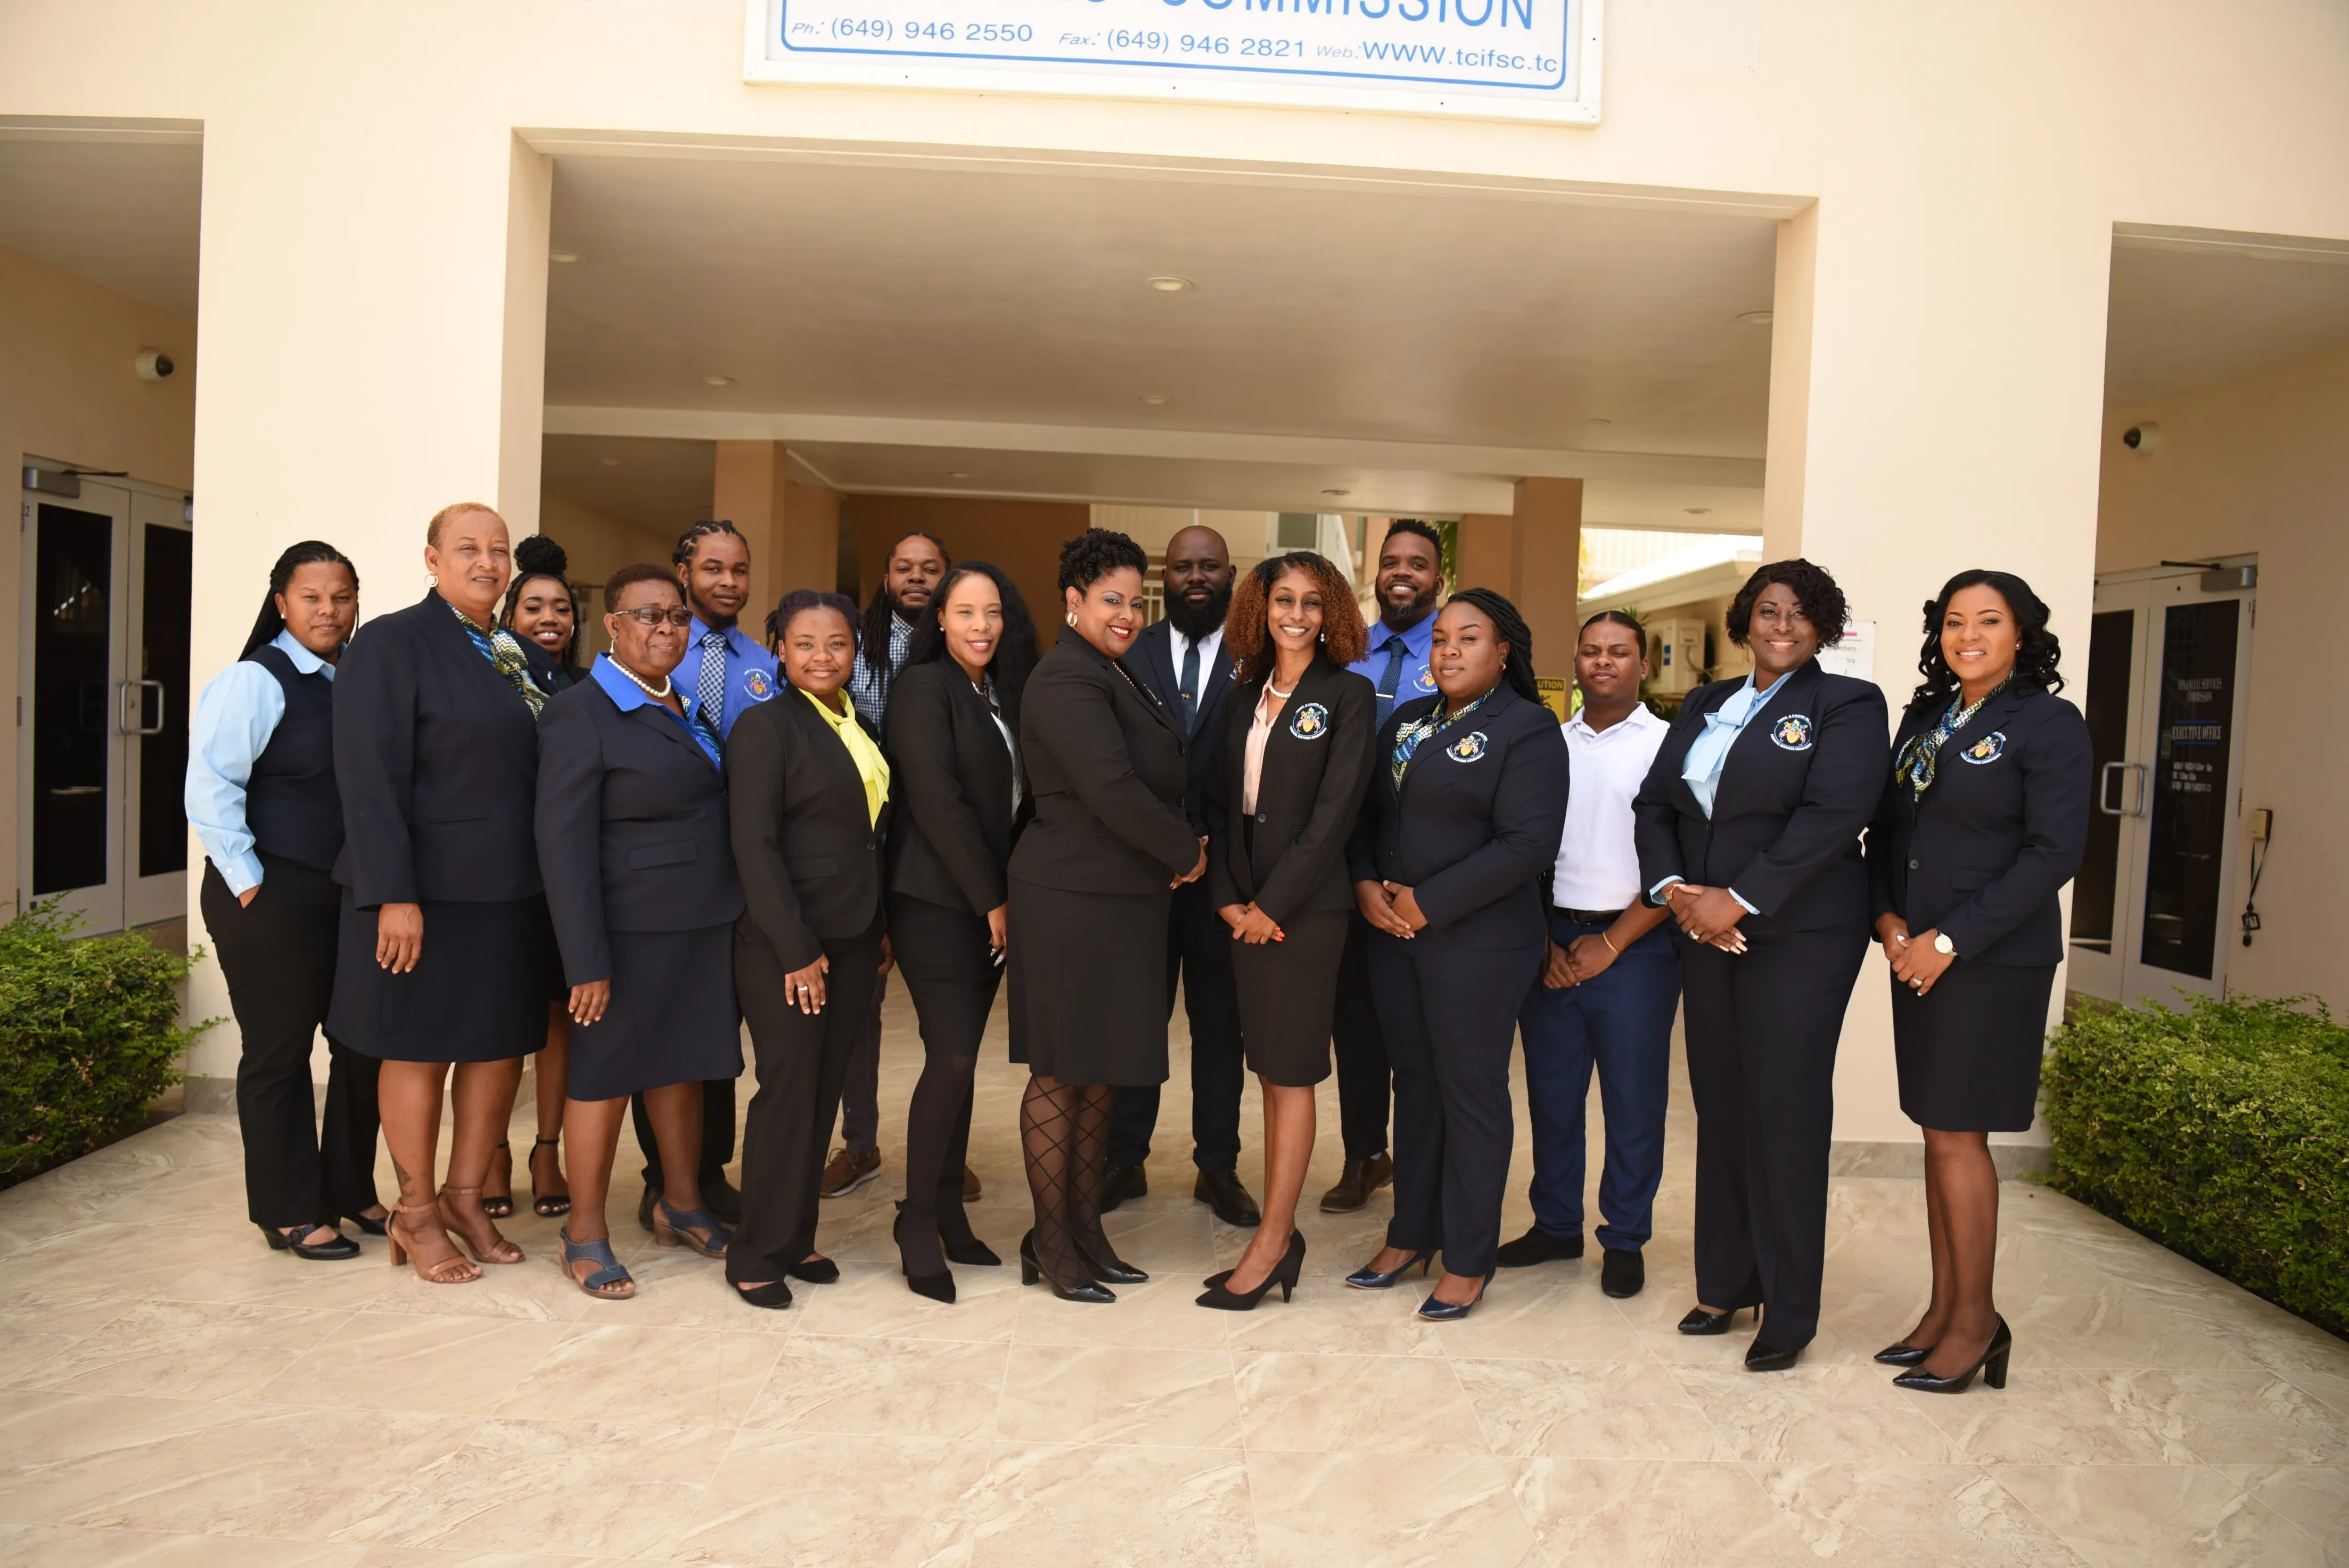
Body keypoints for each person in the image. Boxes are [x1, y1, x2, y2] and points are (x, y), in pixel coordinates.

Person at [1632, 558, 1886, 1370]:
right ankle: (1727, 1279)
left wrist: (1735, 899)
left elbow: (1834, 814)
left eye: (1801, 613)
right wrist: (1677, 893)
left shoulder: (1846, 704)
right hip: (1703, 927)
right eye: (1769, 611)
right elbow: (1656, 804)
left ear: (1822, 627)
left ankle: (1790, 1307)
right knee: (1723, 1103)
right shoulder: (1707, 702)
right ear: (1746, 620)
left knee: (1784, 1110)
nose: (1782, 625)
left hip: (1801, 934)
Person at [1866, 570, 2090, 1392]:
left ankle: (1976, 1323)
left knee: (1960, 1133)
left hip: (1989, 960)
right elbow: (1888, 833)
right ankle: (1942, 1308)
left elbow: (2054, 852)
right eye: (1956, 622)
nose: (1969, 636)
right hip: (1914, 951)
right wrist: (1890, 924)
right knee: (1937, 1130)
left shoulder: (2049, 723)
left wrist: (1949, 939)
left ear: (2022, 633)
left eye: (1989, 621)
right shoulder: (1927, 717)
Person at [328, 502, 554, 1285]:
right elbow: (369, 775)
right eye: (468, 549)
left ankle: (465, 1198)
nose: (487, 563)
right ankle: (415, 1210)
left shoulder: (508, 649)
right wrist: (395, 892)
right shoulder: (393, 643)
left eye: (498, 551)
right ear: (432, 559)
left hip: (510, 891)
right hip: (425, 895)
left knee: (497, 1048)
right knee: (418, 1047)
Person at [1345, 589, 1570, 1320]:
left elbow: (1528, 844)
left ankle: (1469, 1257)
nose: (1448, 650)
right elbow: (1367, 815)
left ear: (1503, 652)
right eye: (1441, 638)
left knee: (1469, 1091)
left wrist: (1426, 901)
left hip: (1477, 943)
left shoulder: (1529, 729)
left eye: (1468, 638)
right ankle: (1411, 1232)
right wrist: (1366, 886)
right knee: (1415, 1083)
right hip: (1395, 937)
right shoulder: (1408, 721)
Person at [535, 564, 743, 1298]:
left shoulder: (681, 700)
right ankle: (583, 1232)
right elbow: (561, 846)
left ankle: (679, 1202)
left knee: (682, 1067)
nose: (667, 628)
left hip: (698, 923)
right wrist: (584, 960)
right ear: (613, 626)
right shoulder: (580, 712)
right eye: (649, 616)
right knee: (605, 1080)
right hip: (625, 934)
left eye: (677, 617)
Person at [1008, 529, 1205, 1303]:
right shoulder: (1065, 678)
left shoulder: (1115, 672)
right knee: (1062, 1071)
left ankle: (1086, 1230)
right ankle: (1052, 1245)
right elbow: (1111, 787)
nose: (1127, 614)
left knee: (1101, 1077)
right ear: (1073, 602)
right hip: (1069, 899)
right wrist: (1186, 850)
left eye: (1135, 600)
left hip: (1121, 900)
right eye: (1111, 600)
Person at [187, 541, 381, 1259]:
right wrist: (248, 883)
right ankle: (289, 1209)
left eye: (341, 597)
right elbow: (210, 787)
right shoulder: (254, 680)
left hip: (343, 893)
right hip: (268, 892)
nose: (328, 611)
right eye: (312, 598)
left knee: (363, 1042)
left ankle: (350, 1187)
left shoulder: (355, 679)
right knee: (279, 1050)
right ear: (281, 603)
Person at [1197, 552, 1374, 1310]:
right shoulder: (1242, 695)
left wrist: (1273, 903)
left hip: (1305, 915)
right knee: (1267, 1069)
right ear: (1259, 609)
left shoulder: (1349, 695)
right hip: (1248, 914)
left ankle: (1273, 1239)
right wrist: (1231, 898)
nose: (1296, 614)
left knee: (1292, 1070)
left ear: (1331, 611)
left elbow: (1336, 815)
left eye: (1311, 601)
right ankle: (1278, 1233)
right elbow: (1220, 807)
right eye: (1283, 600)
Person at [727, 589, 893, 1310]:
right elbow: (754, 846)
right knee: (788, 1093)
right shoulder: (766, 728)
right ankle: (756, 1250)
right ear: (780, 651)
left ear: (855, 652)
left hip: (854, 936)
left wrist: (878, 924)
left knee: (822, 1092)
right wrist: (795, 948)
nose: (823, 657)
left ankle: (796, 1235)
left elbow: (866, 835)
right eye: (805, 644)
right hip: (788, 941)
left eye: (837, 644)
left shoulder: (852, 723)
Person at [1505, 611, 1678, 1299]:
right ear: (1575, 663)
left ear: (1643, 665)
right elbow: (1527, 846)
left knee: (1633, 1101)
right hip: (1552, 939)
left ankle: (1626, 1236)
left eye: (1619, 652)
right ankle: (1555, 1224)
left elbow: (1681, 864)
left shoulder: (1669, 744)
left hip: (1634, 944)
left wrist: (1611, 942)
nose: (1603, 662)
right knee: (1552, 1097)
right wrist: (1546, 938)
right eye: (1591, 651)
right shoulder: (1548, 744)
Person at [883, 561, 1039, 1301]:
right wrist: (992, 901)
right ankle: (916, 1220)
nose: (981, 625)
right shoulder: (922, 688)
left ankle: (948, 1208)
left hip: (986, 902)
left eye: (993, 612)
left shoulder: (995, 692)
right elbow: (939, 804)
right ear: (939, 619)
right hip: (936, 900)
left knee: (964, 1059)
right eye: (966, 611)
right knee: (949, 1057)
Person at [1105, 523, 1258, 1229]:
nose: (1197, 576)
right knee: (1136, 1019)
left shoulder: (1257, 656)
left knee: (1219, 1026)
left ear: (1232, 573)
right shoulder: (1126, 650)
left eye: (1210, 566)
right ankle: (1123, 1158)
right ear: (1166, 575)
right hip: (1143, 874)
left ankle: (1217, 1166)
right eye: (1184, 566)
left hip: (1225, 876)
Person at [630, 518, 773, 1232]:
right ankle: (663, 1176)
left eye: (739, 569)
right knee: (662, 1031)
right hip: (663, 881)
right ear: (683, 573)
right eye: (713, 568)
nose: (728, 581)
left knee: (718, 1034)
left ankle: (709, 1171)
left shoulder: (765, 666)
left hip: (737, 880)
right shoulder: (652, 656)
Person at [1325, 518, 1447, 1213]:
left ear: (1438, 577)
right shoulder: (1346, 650)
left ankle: (1427, 1161)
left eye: (1418, 563)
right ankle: (1366, 1154)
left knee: (1422, 1030)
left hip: (1428, 864)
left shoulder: (1457, 647)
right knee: (1359, 1023)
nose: (1403, 572)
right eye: (1392, 561)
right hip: (1350, 860)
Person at [826, 528, 952, 1201]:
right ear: (885, 577)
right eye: (903, 567)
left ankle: (947, 1151)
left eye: (930, 569)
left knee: (944, 1011)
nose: (916, 578)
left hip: (938, 851)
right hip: (868, 847)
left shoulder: (959, 648)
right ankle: (860, 1144)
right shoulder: (858, 645)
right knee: (860, 1006)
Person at [495, 531, 585, 1221]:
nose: (549, 617)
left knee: (559, 1019)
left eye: (561, 607)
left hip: (562, 876)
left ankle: (546, 1149)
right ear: (509, 617)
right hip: (498, 874)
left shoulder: (583, 690)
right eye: (533, 607)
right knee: (498, 1019)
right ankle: (490, 1151)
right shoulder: (490, 683)